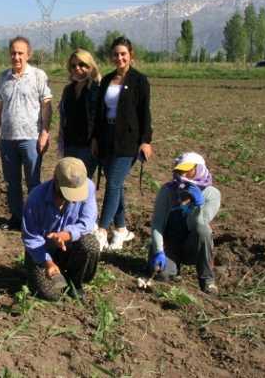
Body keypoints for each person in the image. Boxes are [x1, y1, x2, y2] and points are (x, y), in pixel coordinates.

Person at [91, 37, 153, 250]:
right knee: (116, 187)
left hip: (128, 141)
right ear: (111, 56)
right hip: (107, 139)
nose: (120, 57)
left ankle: (101, 230)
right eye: (116, 54)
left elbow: (145, 113)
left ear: (130, 55)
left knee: (113, 184)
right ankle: (121, 230)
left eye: (123, 54)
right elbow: (99, 114)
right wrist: (95, 138)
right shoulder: (107, 80)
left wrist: (145, 141)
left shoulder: (139, 80)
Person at [0, 36, 53, 230]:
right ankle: (17, 218)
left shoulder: (38, 75)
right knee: (12, 183)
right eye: (13, 53)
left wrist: (44, 132)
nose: (16, 57)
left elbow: (46, 106)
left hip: (31, 138)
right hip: (8, 139)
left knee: (33, 182)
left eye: (20, 53)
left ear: (28, 54)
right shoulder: (3, 77)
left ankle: (35, 219)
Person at [22, 157, 99, 300]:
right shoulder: (35, 198)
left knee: (90, 244)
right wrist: (48, 263)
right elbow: (31, 238)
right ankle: (53, 275)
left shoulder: (88, 187)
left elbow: (88, 221)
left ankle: (74, 282)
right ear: (55, 180)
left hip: (69, 249)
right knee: (52, 295)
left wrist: (67, 234)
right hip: (42, 252)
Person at [148, 152, 221, 295]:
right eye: (181, 171)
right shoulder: (168, 191)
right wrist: (158, 250)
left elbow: (199, 223)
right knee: (162, 276)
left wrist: (197, 204)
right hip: (170, 244)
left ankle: (207, 281)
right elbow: (157, 223)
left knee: (204, 231)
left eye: (188, 170)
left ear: (199, 169)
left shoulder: (212, 194)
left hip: (193, 247)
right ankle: (173, 270)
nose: (184, 175)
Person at [58, 48, 101, 177]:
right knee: (69, 182)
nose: (77, 68)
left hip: (87, 146)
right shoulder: (68, 90)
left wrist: (96, 139)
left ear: (90, 66)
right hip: (70, 143)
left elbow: (99, 118)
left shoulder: (96, 88)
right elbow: (64, 117)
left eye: (82, 64)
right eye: (73, 65)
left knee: (83, 183)